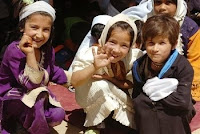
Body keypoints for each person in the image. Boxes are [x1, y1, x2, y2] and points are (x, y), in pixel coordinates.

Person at [0, 1, 71, 133]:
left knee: (57, 114)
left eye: (45, 29)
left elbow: (53, 71)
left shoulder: (47, 50)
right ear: (22, 27)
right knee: (38, 94)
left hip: (32, 98)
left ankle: (25, 123)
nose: (39, 34)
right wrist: (30, 53)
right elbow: (31, 84)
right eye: (34, 27)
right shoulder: (14, 50)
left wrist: (92, 68)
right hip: (10, 98)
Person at [71, 14, 143, 133]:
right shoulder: (93, 53)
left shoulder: (132, 58)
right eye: (112, 42)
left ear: (131, 46)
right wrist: (94, 66)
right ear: (104, 38)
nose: (116, 50)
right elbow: (74, 81)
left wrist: (109, 78)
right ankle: (94, 124)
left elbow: (130, 84)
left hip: (115, 90)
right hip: (89, 93)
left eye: (124, 45)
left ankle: (110, 115)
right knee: (102, 85)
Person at [132, 14, 195, 134]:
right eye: (151, 43)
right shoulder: (139, 66)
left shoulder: (182, 66)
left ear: (174, 44)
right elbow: (136, 97)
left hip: (175, 112)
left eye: (162, 43)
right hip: (149, 112)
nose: (155, 49)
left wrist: (154, 96)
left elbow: (182, 100)